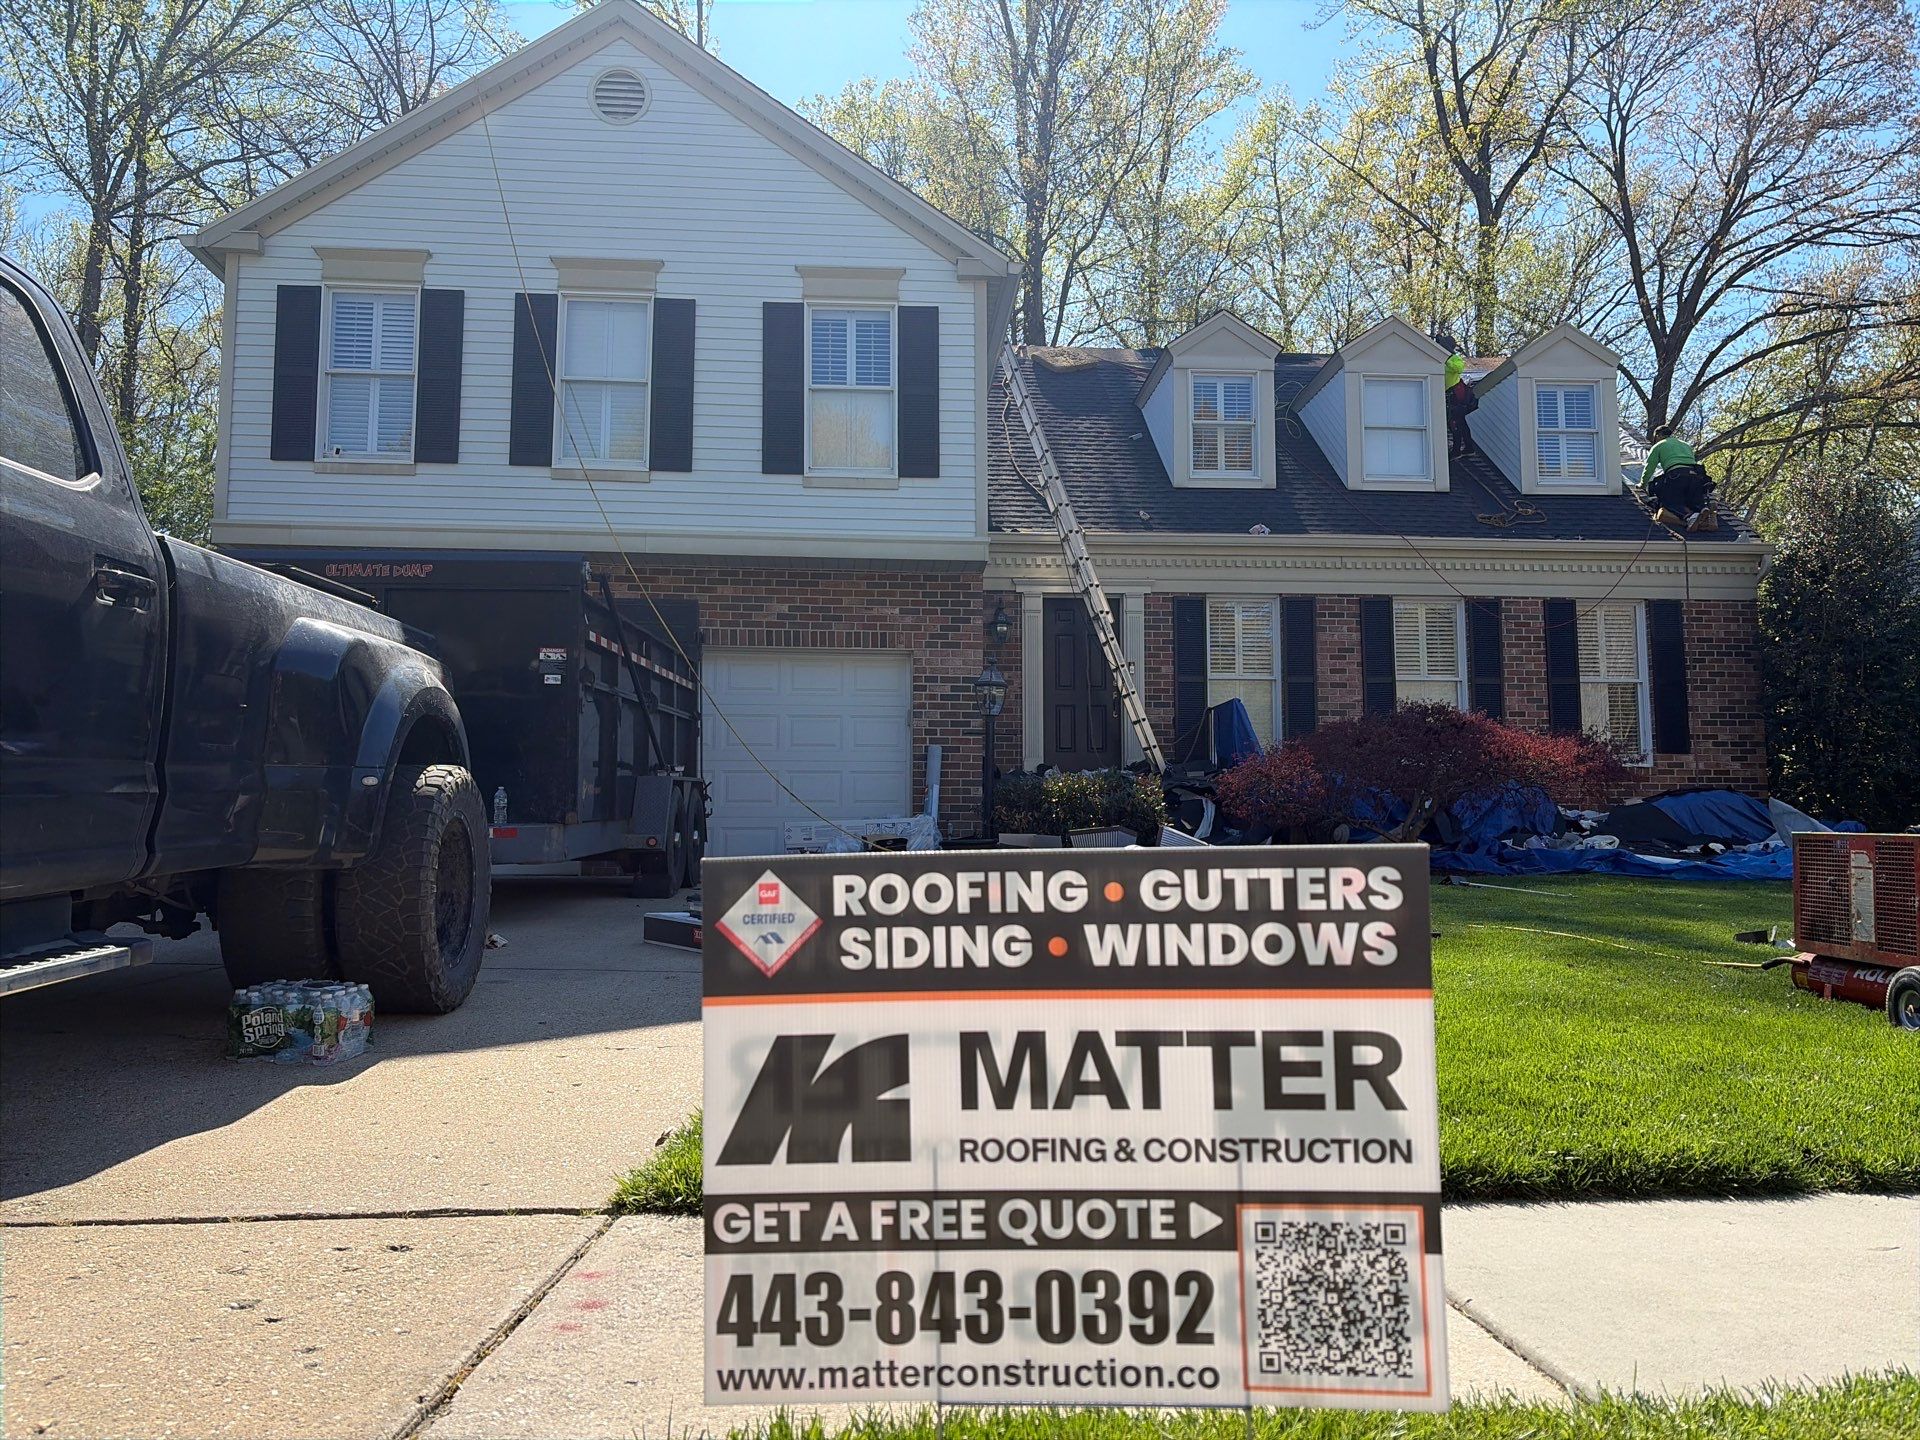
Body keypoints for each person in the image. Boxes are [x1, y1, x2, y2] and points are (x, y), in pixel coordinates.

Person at [1638, 424, 1718, 531]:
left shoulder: (1659, 445)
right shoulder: (1685, 445)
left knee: (1670, 502)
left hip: (1677, 475)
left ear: (1657, 436)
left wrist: (1642, 485)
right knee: (1691, 498)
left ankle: (1689, 517)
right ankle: (1702, 509)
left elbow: (1649, 468)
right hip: (1696, 476)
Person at [1443, 349, 1477, 459]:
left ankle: (1457, 451)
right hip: (1450, 395)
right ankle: (1468, 448)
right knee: (1459, 422)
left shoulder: (1454, 359)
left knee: (1455, 423)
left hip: (1456, 397)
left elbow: (1459, 368)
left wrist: (1447, 360)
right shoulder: (1439, 360)